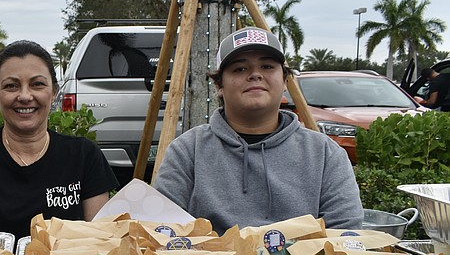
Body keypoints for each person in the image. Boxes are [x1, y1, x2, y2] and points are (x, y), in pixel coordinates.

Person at [152, 27, 363, 234]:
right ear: (219, 86)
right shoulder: (188, 150)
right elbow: (163, 231)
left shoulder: (325, 153)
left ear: (285, 82)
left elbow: (343, 235)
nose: (255, 74)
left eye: (267, 66)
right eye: (240, 69)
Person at [0, 40, 118, 240]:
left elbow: (99, 247)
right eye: (11, 86)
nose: (25, 96)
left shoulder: (84, 156)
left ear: (53, 92)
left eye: (37, 84)